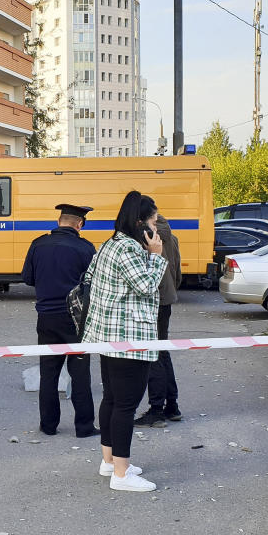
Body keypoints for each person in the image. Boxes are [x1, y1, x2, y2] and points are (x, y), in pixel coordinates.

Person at [82, 191, 167, 492]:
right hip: (128, 337)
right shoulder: (130, 249)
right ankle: (121, 474)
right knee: (126, 405)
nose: (157, 230)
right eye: (154, 223)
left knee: (113, 399)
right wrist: (156, 256)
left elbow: (90, 276)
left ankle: (110, 461)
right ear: (142, 223)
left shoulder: (110, 244)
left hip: (107, 335)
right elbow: (145, 285)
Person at [21, 204, 99, 438]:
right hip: (76, 319)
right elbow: (93, 284)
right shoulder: (85, 248)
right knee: (81, 374)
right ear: (80, 224)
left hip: (45, 317)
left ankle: (48, 426)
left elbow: (28, 278)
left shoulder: (38, 244)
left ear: (59, 221)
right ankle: (84, 427)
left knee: (49, 373)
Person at [135, 213, 182, 428]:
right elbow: (177, 272)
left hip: (153, 300)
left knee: (152, 354)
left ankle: (156, 410)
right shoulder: (171, 237)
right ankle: (172, 406)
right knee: (162, 351)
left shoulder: (146, 237)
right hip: (167, 299)